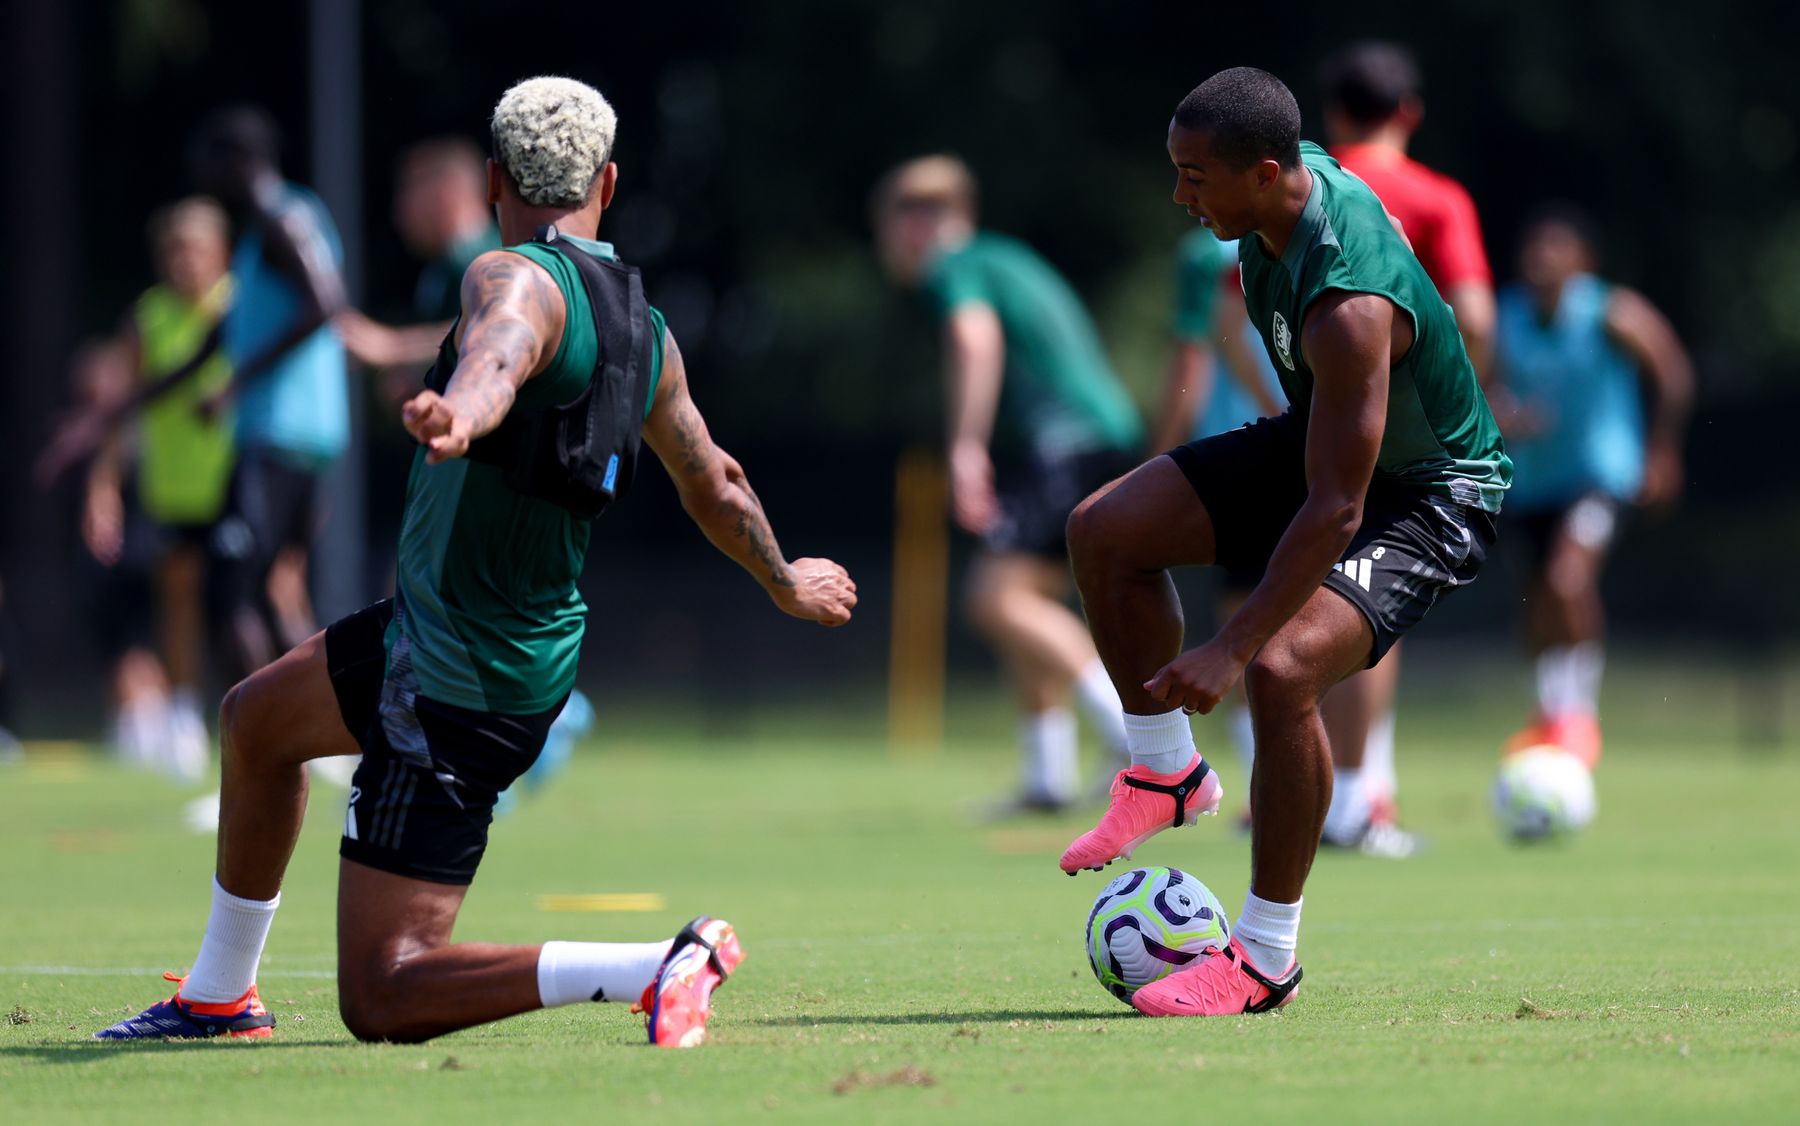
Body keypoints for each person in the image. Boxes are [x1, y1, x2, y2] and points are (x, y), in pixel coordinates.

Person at [96, 76, 857, 1048]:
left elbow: (500, 349)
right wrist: (786, 577)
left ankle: (653, 963)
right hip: (459, 637)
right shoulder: (650, 336)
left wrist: (462, 410)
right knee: (256, 721)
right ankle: (217, 995)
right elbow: (716, 482)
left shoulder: (512, 275)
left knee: (384, 990)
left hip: (460, 676)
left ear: (494, 177)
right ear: (610, 185)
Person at [1059, 67, 1509, 1014]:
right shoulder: (1278, 183)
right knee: (1104, 531)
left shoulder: (1350, 303)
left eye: (1195, 177)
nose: (1180, 196)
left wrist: (1231, 643)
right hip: (1328, 448)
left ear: (1266, 175)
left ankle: (1263, 959)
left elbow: (1340, 508)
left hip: (1432, 495)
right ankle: (1165, 770)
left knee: (1280, 671)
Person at [873, 156, 1141, 812]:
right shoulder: (1001, 256)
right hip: (1098, 440)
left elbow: (974, 340)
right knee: (1023, 603)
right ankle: (1047, 777)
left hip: (1068, 444)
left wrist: (965, 449)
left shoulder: (954, 264)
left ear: (910, 226)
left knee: (993, 600)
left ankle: (1139, 738)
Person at [1296, 41, 1502, 855]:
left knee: (1293, 608)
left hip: (1305, 431)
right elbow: (1477, 320)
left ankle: (1333, 797)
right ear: (1409, 113)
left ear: (1335, 115)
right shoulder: (1435, 197)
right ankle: (1354, 799)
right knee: (1364, 616)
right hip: (1403, 447)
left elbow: (1227, 309)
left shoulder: (1303, 184)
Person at [1492, 205, 1692, 766]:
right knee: (1535, 601)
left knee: (1567, 574)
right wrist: (1502, 416)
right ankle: (1548, 713)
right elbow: (1479, 389)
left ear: (1583, 261)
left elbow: (1672, 368)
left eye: (1554, 248)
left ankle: (1580, 717)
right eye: (1533, 248)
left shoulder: (1611, 311)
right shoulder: (1504, 316)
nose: (1540, 259)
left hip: (1600, 474)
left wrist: (1662, 450)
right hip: (1530, 482)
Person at [78, 199, 238, 778]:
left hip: (239, 479)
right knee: (179, 599)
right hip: (176, 487)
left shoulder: (240, 307)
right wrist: (103, 486)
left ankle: (285, 717)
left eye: (195, 249)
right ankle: (183, 719)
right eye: (174, 251)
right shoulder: (149, 318)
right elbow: (120, 411)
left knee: (264, 593)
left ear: (220, 253)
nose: (184, 263)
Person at [1152, 229, 1287, 822]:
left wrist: (1156, 461)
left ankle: (1276, 788)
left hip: (1247, 453)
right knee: (1274, 624)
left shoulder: (1205, 252)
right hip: (1310, 448)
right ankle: (1301, 787)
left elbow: (1195, 355)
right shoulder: (1317, 225)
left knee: (1249, 627)